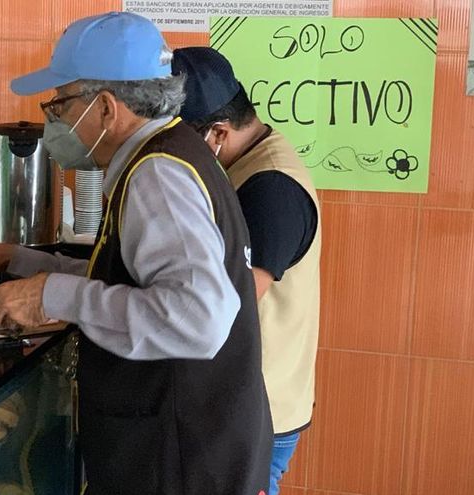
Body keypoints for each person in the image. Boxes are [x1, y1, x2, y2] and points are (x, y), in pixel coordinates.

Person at [0, 12, 272, 495]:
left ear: (107, 108)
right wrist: (17, 259)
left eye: (60, 104)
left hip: (180, 463)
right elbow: (131, 278)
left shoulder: (157, 175)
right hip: (192, 451)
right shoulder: (169, 151)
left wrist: (53, 295)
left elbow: (198, 318)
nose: (52, 120)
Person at [172, 47, 321, 495]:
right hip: (245, 401)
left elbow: (233, 300)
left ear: (218, 131)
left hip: (259, 410)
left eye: (180, 139)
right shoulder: (245, 165)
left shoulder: (271, 186)